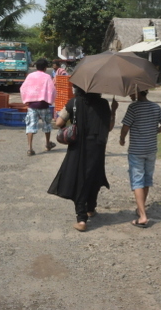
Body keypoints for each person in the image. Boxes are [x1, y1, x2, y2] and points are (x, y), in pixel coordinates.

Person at [48, 86, 118, 232]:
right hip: (97, 147)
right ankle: (91, 209)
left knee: (79, 178)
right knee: (94, 175)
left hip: (78, 148)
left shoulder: (73, 103)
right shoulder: (104, 104)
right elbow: (109, 128)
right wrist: (114, 110)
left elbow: (59, 123)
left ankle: (81, 219)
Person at [119, 90, 161, 228]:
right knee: (146, 179)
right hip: (151, 149)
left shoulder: (133, 107)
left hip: (136, 150)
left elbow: (126, 126)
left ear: (137, 93)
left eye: (132, 92)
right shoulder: (155, 107)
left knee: (137, 181)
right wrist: (157, 131)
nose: (130, 95)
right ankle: (141, 208)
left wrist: (122, 138)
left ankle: (142, 216)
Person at [19, 58, 57, 156]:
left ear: (36, 67)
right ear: (45, 68)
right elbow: (52, 89)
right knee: (47, 124)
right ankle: (48, 144)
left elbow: (23, 88)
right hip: (43, 104)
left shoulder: (30, 76)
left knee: (31, 125)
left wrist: (26, 100)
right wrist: (50, 101)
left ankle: (30, 149)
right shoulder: (47, 77)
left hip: (32, 105)